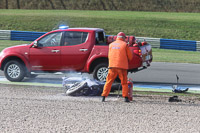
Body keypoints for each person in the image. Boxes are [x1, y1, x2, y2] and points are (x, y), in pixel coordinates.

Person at [101, 32, 133, 102]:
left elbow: (109, 56)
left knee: (108, 81)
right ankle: (125, 98)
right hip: (122, 67)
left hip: (112, 66)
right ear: (124, 38)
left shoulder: (111, 45)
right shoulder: (125, 45)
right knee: (124, 83)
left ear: (117, 37)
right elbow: (130, 56)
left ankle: (103, 96)